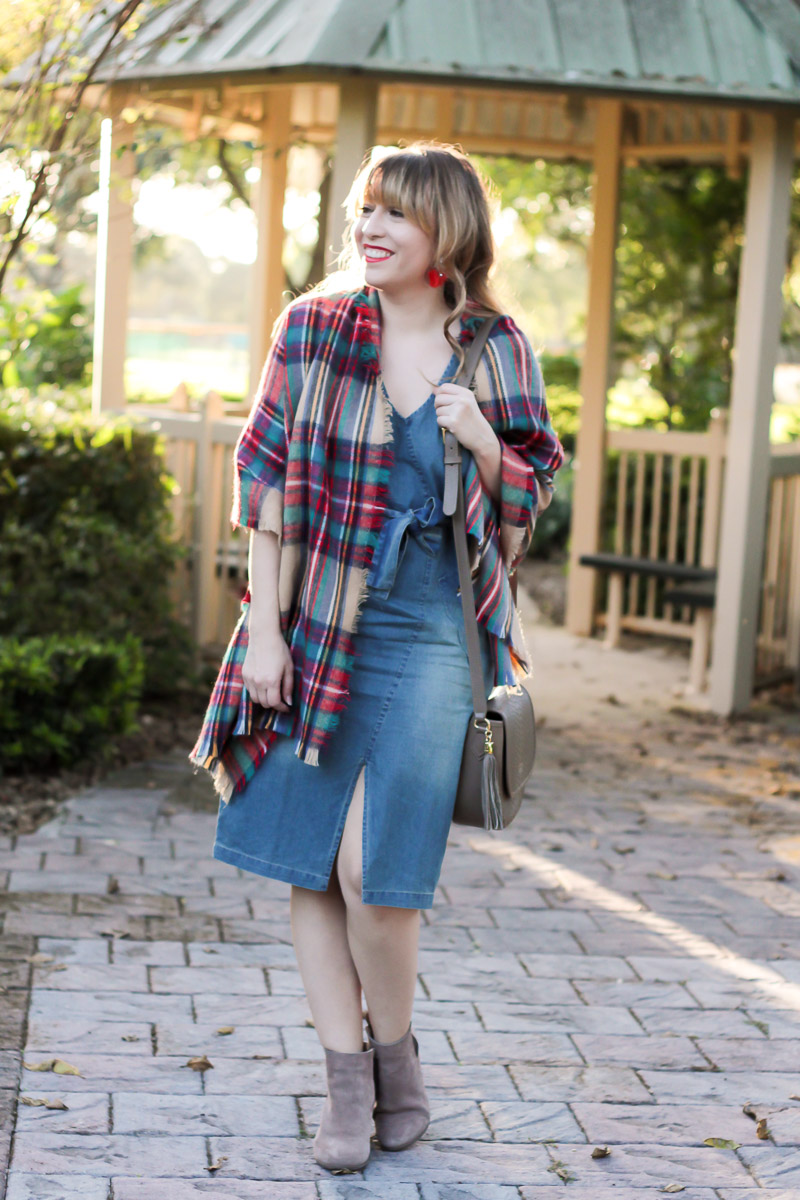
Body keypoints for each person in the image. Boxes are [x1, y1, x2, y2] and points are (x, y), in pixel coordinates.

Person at [190, 142, 564, 1173]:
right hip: (315, 618)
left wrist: (485, 442)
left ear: (446, 232)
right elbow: (262, 477)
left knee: (376, 875)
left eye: (395, 213)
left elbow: (531, 489)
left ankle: (396, 1058)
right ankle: (350, 1085)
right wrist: (263, 630)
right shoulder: (312, 329)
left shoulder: (494, 347)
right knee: (310, 863)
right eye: (364, 209)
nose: (371, 227)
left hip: (435, 626)